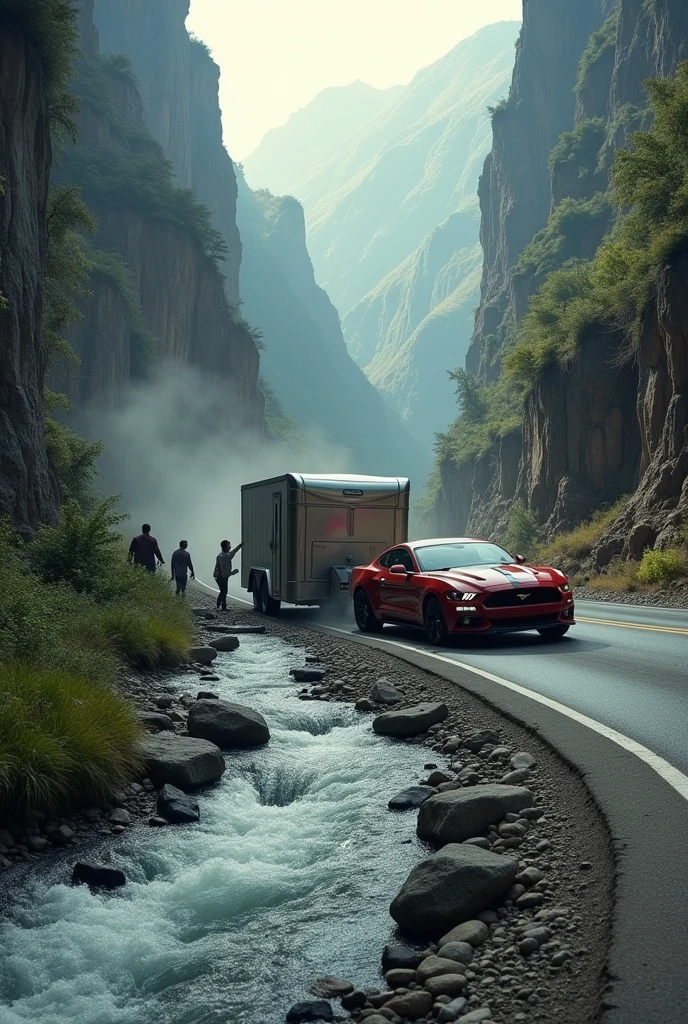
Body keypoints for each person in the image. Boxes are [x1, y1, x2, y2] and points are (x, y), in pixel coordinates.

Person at [213, 539, 242, 611]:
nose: (229, 548)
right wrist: (233, 572)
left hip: (222, 575)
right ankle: (221, 606)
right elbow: (223, 570)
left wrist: (241, 545)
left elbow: (234, 551)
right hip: (220, 576)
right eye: (228, 546)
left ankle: (221, 605)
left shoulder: (224, 554)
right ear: (224, 547)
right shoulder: (224, 556)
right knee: (224, 591)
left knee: (223, 591)